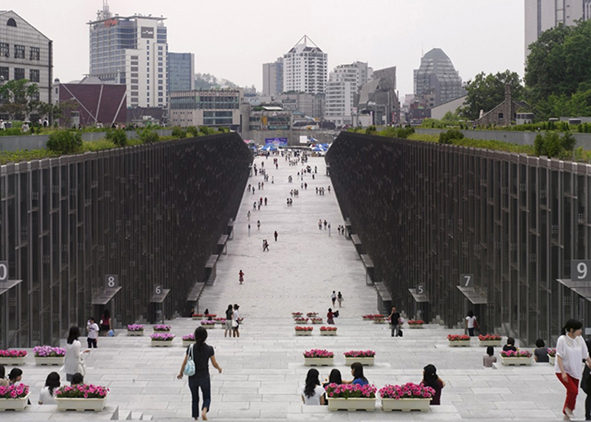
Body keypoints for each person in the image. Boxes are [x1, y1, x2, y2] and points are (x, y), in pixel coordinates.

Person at [178, 326, 222, 421]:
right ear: (205, 336)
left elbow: (184, 362)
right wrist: (219, 368)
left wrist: (181, 373)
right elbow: (214, 363)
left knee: (194, 398)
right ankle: (204, 411)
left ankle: (196, 418)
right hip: (204, 377)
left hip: (192, 377)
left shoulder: (191, 348)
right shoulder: (209, 349)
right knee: (207, 397)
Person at [555, 319, 591, 420]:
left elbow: (585, 354)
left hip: (576, 370)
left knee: (573, 392)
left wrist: (590, 363)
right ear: (571, 330)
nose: (581, 331)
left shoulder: (580, 339)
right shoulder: (562, 339)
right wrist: (563, 372)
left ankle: (567, 415)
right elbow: (559, 356)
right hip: (563, 370)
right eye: (578, 329)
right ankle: (568, 409)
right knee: (573, 390)